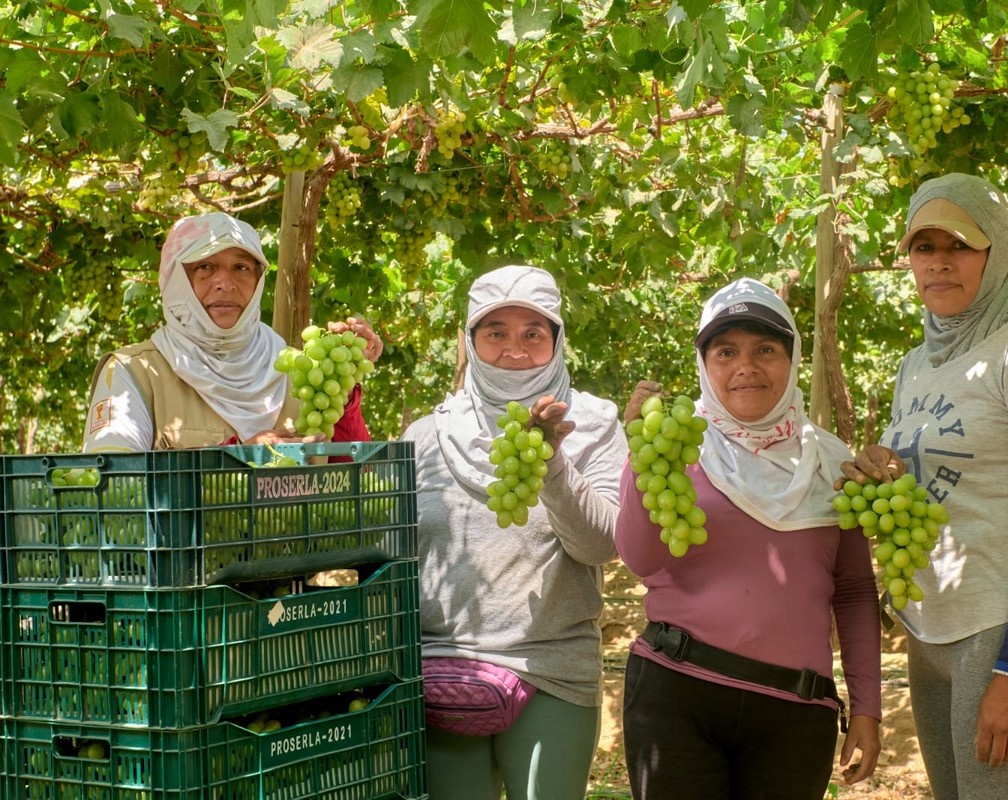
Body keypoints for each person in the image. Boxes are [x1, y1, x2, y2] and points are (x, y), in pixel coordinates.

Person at [841, 173, 1008, 799]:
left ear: (995, 251)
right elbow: (935, 488)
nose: (939, 262)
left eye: (959, 244)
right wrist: (888, 472)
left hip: (1001, 632)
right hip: (932, 631)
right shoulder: (916, 363)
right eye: (923, 247)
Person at [616, 277, 883, 800]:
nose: (746, 365)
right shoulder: (678, 446)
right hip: (677, 697)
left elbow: (852, 592)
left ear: (793, 358)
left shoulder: (833, 462)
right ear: (704, 364)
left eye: (766, 349)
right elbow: (640, 558)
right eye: (725, 351)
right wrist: (639, 454)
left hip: (795, 714)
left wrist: (868, 708)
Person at [401, 265, 626, 800]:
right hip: (440, 670)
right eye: (495, 332)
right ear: (471, 341)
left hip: (551, 668)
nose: (515, 349)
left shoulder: (593, 423)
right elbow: (396, 554)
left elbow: (602, 545)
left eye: (533, 333)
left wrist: (552, 462)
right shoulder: (426, 433)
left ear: (557, 340)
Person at [83, 211, 381, 452]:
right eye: (205, 267)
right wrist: (236, 458)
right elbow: (116, 491)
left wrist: (345, 381)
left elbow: (350, 475)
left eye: (241, 267)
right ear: (176, 281)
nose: (225, 282)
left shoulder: (297, 369)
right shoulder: (133, 373)